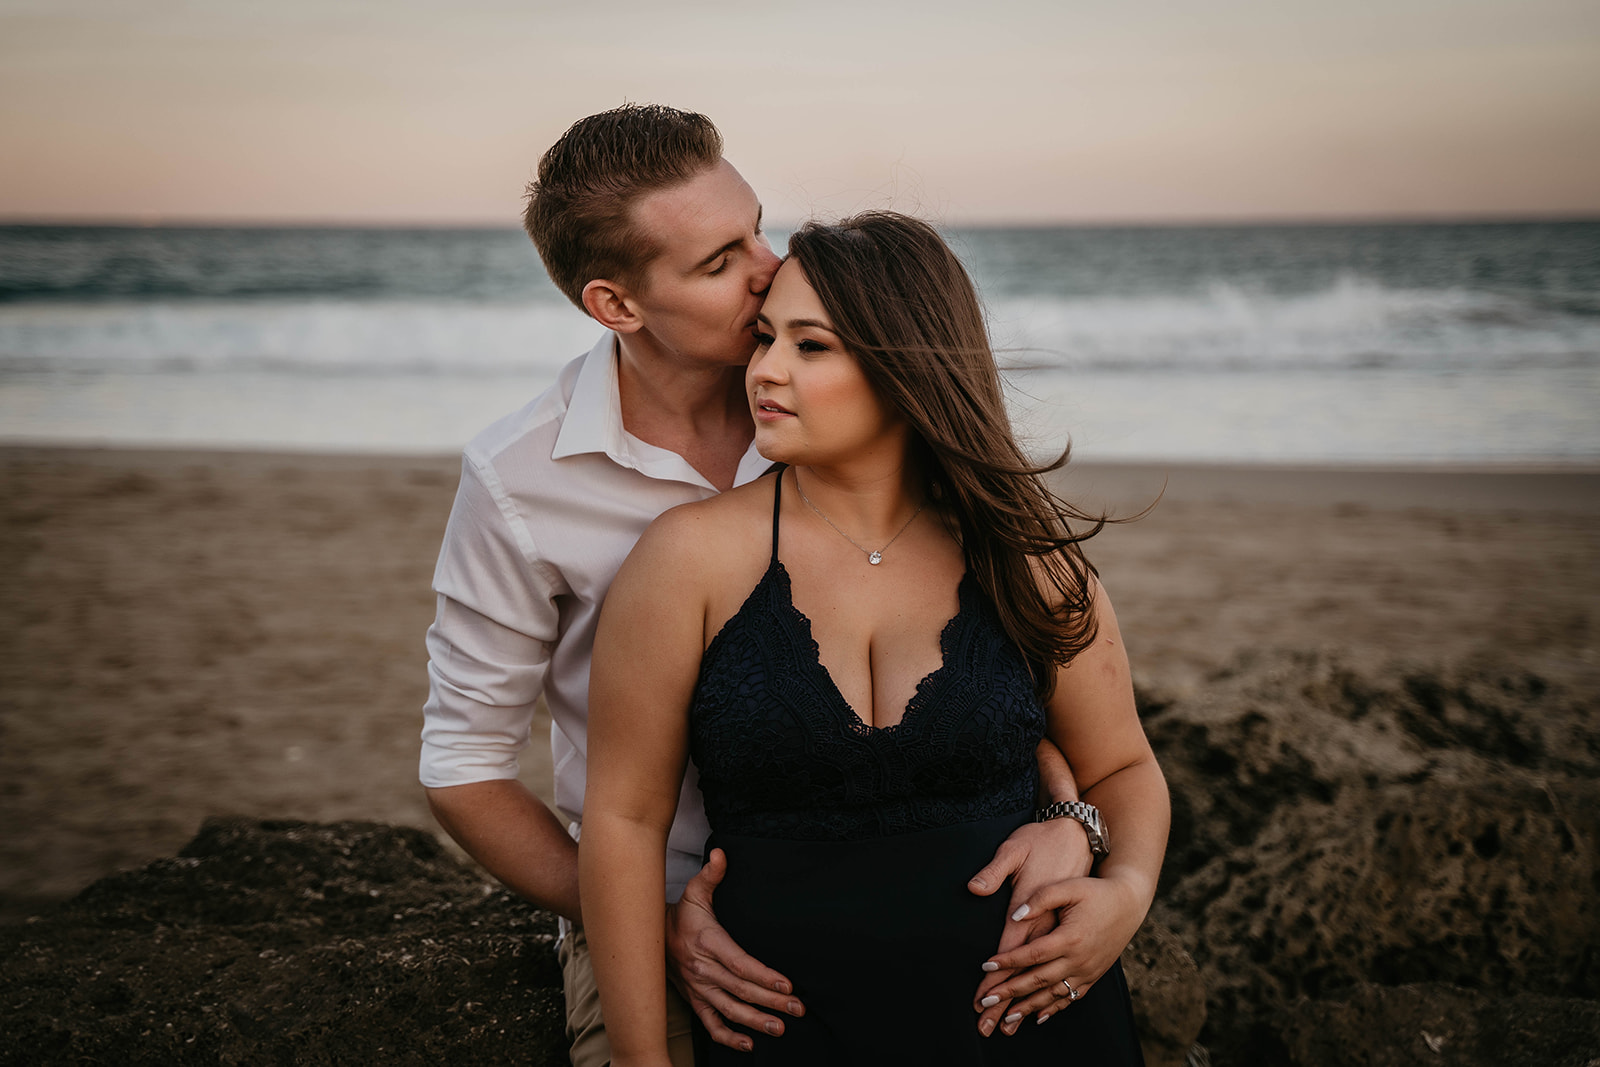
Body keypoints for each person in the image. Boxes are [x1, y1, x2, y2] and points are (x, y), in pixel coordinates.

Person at [420, 105, 1119, 1066]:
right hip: (659, 893)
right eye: (719, 261)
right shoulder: (523, 477)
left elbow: (998, 660)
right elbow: (463, 767)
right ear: (616, 306)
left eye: (756, 224)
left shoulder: (840, 414)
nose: (766, 265)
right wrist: (655, 914)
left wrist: (1071, 813)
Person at [581, 211, 1170, 1065]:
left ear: (904, 366)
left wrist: (1124, 891)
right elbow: (624, 818)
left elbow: (1123, 764)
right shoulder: (690, 558)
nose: (765, 371)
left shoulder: (1022, 555)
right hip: (783, 1034)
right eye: (764, 338)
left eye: (810, 346)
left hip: (1031, 1025)